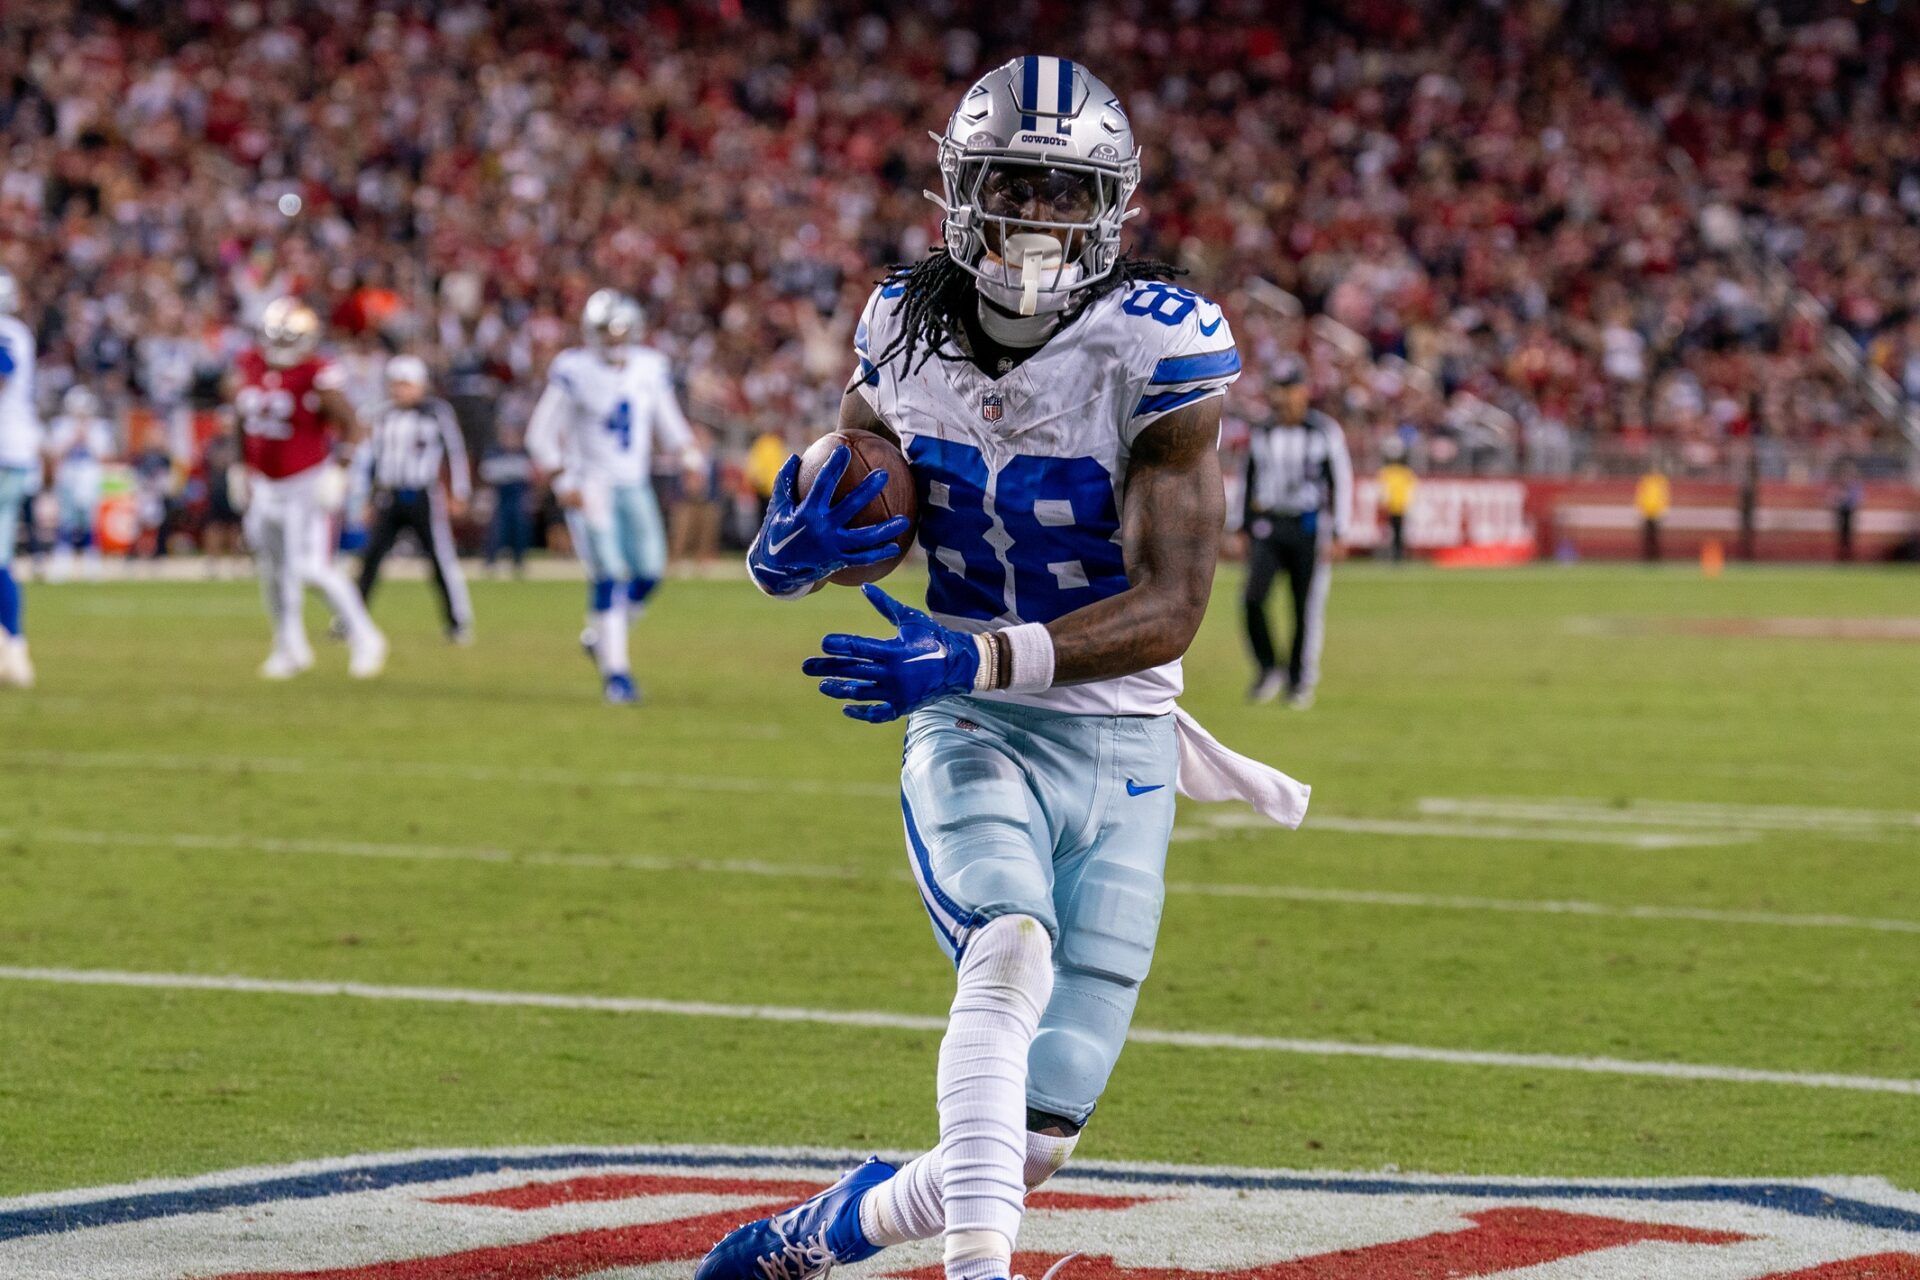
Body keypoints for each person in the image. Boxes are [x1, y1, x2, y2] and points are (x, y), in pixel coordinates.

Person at [699, 56, 1308, 1280]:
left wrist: (969, 647)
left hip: (1118, 733)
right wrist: (786, 554)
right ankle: (978, 1272)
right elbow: (851, 507)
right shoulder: (898, 327)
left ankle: (815, 1235)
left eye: (1061, 189)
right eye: (1011, 184)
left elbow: (1176, 605)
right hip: (972, 718)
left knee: (1035, 1140)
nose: (1034, 215)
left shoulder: (1161, 344)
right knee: (1009, 945)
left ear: (1111, 203)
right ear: (959, 188)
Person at [525, 289, 692, 704]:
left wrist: (689, 452)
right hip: (592, 483)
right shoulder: (574, 368)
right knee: (610, 575)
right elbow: (539, 433)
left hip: (634, 481)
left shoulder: (651, 366)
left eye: (620, 331)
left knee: (651, 571)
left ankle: (601, 636)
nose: (614, 340)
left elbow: (666, 420)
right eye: (606, 331)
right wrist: (565, 483)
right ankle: (617, 674)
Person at [230, 297, 387, 680]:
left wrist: (341, 469)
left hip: (306, 483)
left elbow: (353, 424)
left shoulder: (317, 371)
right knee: (272, 570)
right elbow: (241, 418)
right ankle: (289, 645)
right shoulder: (251, 362)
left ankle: (365, 637)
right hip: (266, 486)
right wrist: (240, 467)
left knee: (311, 568)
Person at [1240, 360, 1352, 708]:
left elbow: (1341, 480)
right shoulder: (1264, 431)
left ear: (1304, 392)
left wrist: (1338, 530)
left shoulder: (1323, 431)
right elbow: (1249, 479)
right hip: (1271, 525)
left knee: (1305, 606)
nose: (1283, 398)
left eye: (1290, 389)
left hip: (1307, 526)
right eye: (1279, 389)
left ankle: (1299, 680)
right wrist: (1242, 525)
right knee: (1253, 598)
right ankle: (1268, 668)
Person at [353, 355, 475, 642]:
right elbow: (372, 459)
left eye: (406, 385)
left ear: (420, 385)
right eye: (395, 385)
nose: (400, 391)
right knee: (370, 560)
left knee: (440, 560)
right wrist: (368, 497)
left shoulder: (436, 413)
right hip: (389, 495)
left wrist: (460, 492)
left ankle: (458, 621)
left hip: (423, 494)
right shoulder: (383, 415)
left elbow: (455, 452)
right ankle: (351, 620)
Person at [0, 269, 41, 688]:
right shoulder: (18, 331)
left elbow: (1, 372)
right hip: (14, 451)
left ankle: (13, 645)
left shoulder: (6, 334)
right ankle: (11, 646)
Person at [43, 386, 116, 578]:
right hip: (68, 476)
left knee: (90, 522)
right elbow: (53, 453)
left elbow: (106, 456)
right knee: (66, 521)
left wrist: (88, 439)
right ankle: (62, 562)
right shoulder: (61, 425)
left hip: (90, 477)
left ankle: (92, 563)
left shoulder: (100, 427)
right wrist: (72, 439)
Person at [479, 425, 534, 576]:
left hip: (517, 497)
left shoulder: (524, 452)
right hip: (501, 497)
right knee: (497, 530)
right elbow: (487, 473)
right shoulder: (494, 452)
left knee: (520, 529)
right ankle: (490, 561)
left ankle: (519, 561)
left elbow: (529, 473)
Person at [1376, 440, 1416, 563]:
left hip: (1395, 506)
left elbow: (1383, 490)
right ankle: (1397, 555)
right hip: (1398, 506)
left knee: (1396, 532)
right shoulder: (1405, 473)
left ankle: (1397, 555)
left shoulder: (1387, 472)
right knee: (1397, 532)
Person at [1635, 465, 1670, 563]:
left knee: (1656, 537)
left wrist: (1664, 510)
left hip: (1657, 513)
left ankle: (1656, 558)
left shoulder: (1661, 481)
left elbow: (1664, 496)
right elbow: (1640, 495)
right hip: (1646, 512)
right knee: (1647, 537)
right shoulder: (1645, 481)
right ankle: (1647, 557)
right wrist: (1639, 509)